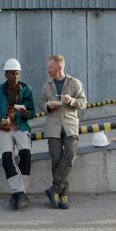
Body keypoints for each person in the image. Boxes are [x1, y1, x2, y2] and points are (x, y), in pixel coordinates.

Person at [39, 54, 87, 209]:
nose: (48, 70)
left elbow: (83, 103)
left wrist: (71, 101)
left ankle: (55, 189)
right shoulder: (47, 85)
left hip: (70, 126)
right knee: (56, 159)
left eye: (50, 67)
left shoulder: (75, 83)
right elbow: (40, 102)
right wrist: (48, 106)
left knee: (70, 154)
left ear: (59, 67)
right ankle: (62, 195)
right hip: (53, 127)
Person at [0, 58, 35, 210]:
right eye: (12, 74)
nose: (15, 76)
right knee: (7, 157)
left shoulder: (27, 89)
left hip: (21, 126)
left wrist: (23, 113)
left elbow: (32, 113)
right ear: (5, 74)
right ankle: (21, 193)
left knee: (26, 154)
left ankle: (18, 193)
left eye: (17, 73)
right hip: (4, 128)